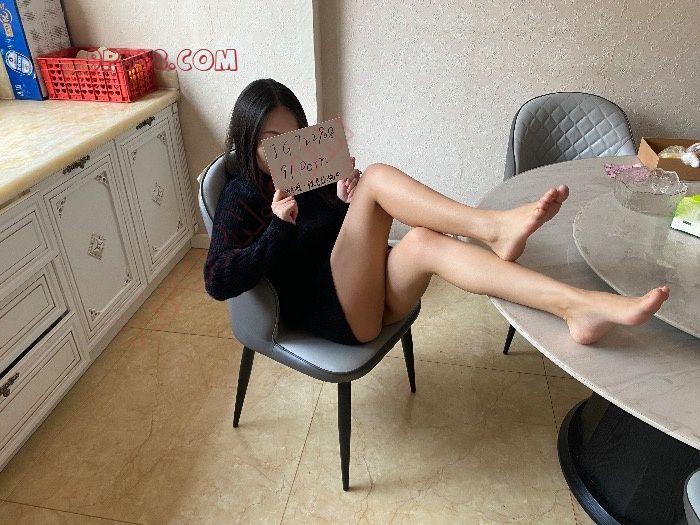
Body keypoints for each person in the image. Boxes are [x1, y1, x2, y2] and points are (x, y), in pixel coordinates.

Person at [204, 78, 669, 346]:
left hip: (364, 290)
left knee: (424, 241)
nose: (281, 152)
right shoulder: (242, 194)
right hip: (331, 312)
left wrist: (344, 204)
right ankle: (492, 227)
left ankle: (576, 307)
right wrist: (276, 230)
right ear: (247, 138)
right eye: (269, 142)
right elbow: (217, 281)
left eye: (291, 137)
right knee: (378, 179)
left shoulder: (310, 169)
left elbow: (331, 236)